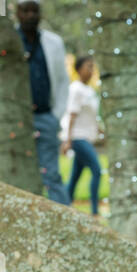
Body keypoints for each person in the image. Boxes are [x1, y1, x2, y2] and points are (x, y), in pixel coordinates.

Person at [14, 0, 71, 205]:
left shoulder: (54, 42)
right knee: (20, 174)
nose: (30, 15)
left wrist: (56, 116)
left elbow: (63, 82)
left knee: (51, 174)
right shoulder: (9, 40)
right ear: (16, 13)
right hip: (17, 121)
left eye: (34, 10)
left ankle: (66, 220)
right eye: (25, 10)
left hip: (46, 118)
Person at [61, 55, 103, 215]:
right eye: (88, 66)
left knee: (75, 177)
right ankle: (94, 211)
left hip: (87, 137)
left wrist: (100, 130)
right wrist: (67, 140)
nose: (91, 70)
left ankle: (63, 206)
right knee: (97, 170)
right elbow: (72, 115)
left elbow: (91, 116)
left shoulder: (90, 91)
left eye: (93, 67)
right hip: (77, 137)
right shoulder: (75, 89)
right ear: (78, 69)